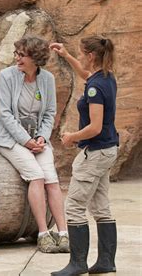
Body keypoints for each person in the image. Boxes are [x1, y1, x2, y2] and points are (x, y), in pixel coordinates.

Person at [0, 36, 68, 253]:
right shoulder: (6, 76)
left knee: (52, 180)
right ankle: (43, 233)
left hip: (38, 140)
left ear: (35, 58)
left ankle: (62, 233)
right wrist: (26, 141)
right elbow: (4, 114)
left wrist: (42, 137)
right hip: (11, 139)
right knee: (37, 176)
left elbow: (50, 113)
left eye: (21, 55)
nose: (17, 58)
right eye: (16, 54)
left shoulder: (48, 79)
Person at [50, 36, 118, 276]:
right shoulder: (106, 78)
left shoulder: (95, 87)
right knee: (101, 207)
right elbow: (85, 74)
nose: (79, 56)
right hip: (107, 150)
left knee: (75, 207)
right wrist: (67, 55)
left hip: (95, 152)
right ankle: (106, 262)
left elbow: (95, 127)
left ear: (91, 56)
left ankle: (77, 263)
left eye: (80, 53)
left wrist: (72, 136)